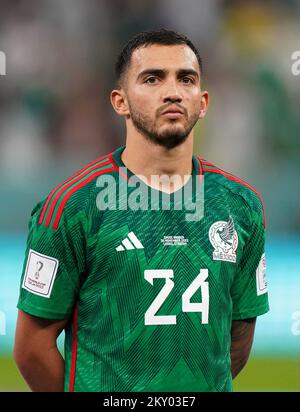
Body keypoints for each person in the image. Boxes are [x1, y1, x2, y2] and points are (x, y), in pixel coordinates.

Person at [14, 29, 269, 392]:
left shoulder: (241, 206)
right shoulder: (72, 207)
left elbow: (238, 338)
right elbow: (31, 349)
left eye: (186, 79)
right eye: (152, 79)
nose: (172, 91)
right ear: (120, 101)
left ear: (203, 101)